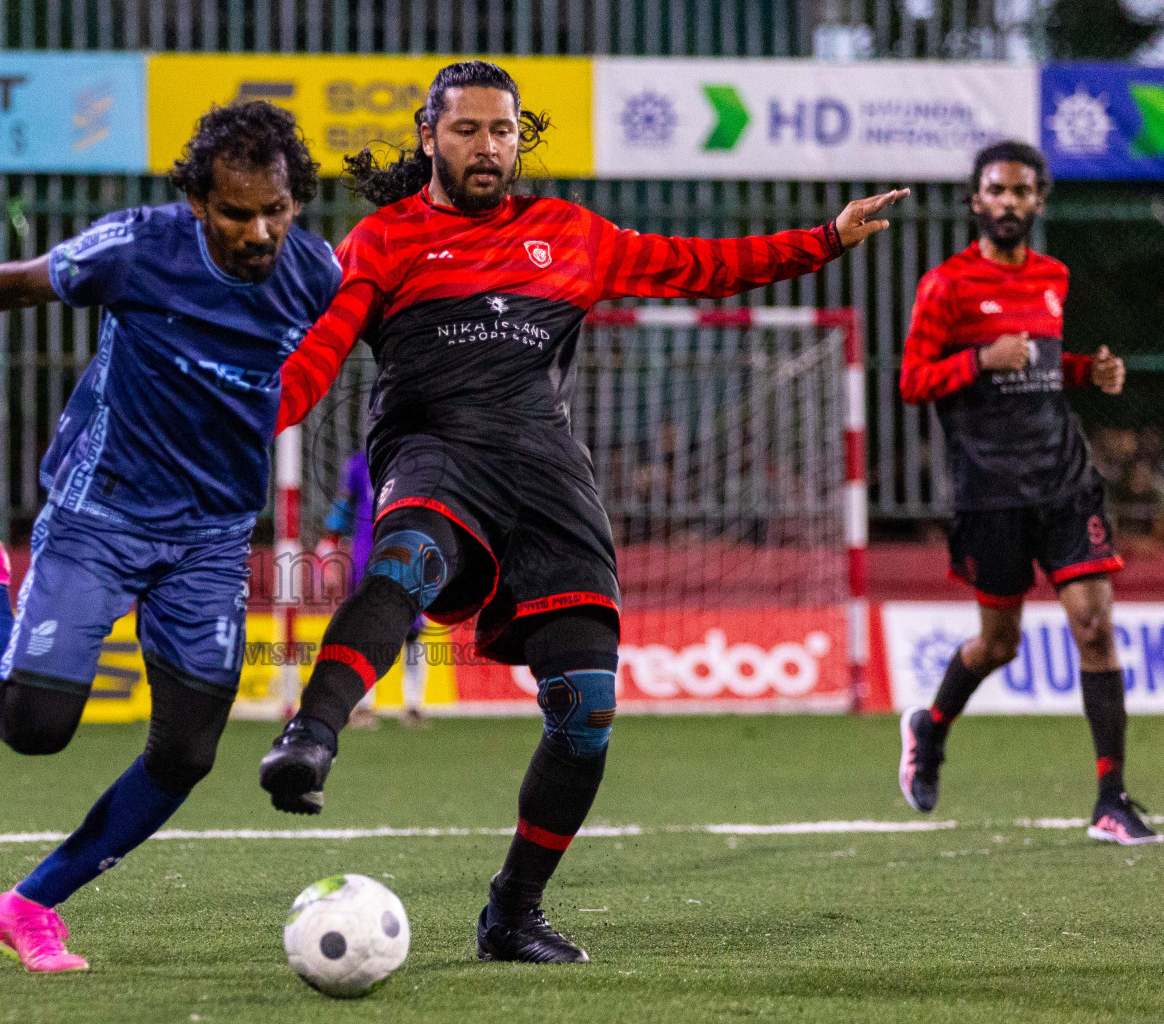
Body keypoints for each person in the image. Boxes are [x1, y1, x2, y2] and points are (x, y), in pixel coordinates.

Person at [255, 59, 907, 964]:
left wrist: (826, 239)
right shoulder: (381, 240)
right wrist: (254, 416)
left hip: (548, 475)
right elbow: (320, 351)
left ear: (522, 138)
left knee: (586, 710)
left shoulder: (570, 233)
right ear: (427, 135)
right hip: (436, 450)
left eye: (502, 131)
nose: (488, 147)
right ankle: (310, 737)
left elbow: (706, 268)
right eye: (467, 130)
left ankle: (512, 914)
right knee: (403, 563)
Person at [0, 101, 339, 973]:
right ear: (197, 204)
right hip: (101, 509)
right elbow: (21, 281)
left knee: (186, 754)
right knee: (33, 726)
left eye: (275, 211)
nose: (258, 232)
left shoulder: (316, 274)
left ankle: (28, 906)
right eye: (236, 212)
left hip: (213, 534)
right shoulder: (138, 247)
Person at [896, 141, 1153, 844]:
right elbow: (912, 380)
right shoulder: (946, 285)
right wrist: (979, 357)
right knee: (999, 642)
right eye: (997, 190)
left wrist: (1084, 371)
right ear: (977, 201)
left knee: (1096, 629)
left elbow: (1039, 369)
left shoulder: (1052, 276)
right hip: (991, 490)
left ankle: (1111, 798)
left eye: (1022, 191)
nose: (1009, 202)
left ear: (1039, 201)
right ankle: (932, 726)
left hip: (1064, 480)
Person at [323, 450, 429, 727]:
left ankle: (414, 705)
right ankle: (364, 705)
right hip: (366, 553)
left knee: (413, 632)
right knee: (365, 626)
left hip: (410, 549)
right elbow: (343, 504)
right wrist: (329, 547)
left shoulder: (419, 457)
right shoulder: (359, 463)